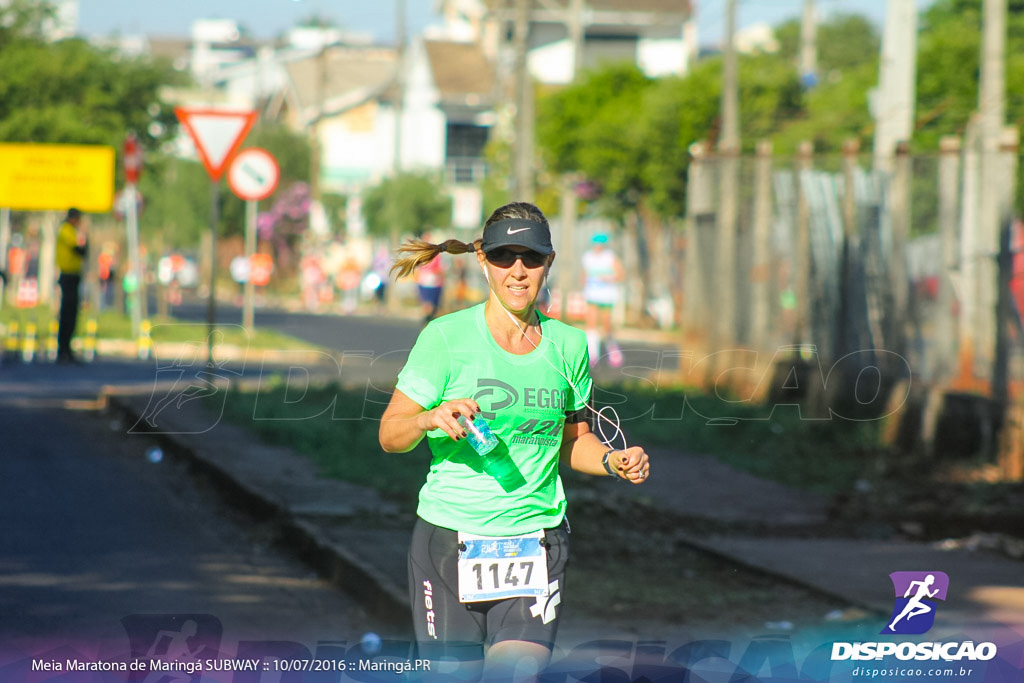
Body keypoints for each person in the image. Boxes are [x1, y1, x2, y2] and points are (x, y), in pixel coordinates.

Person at [378, 202, 650, 682]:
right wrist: (428, 419)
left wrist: (612, 461)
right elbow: (390, 435)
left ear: (549, 263)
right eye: (505, 257)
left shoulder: (568, 346)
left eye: (532, 258)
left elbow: (573, 441)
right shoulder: (445, 338)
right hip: (450, 538)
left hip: (536, 541)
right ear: (483, 260)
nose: (518, 272)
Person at [580, 232, 625, 368]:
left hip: (607, 295)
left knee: (606, 324)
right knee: (591, 323)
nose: (597, 247)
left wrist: (608, 278)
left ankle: (613, 349)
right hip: (592, 294)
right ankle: (593, 354)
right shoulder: (587, 257)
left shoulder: (610, 257)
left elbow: (620, 274)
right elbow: (584, 275)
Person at [55, 207, 88, 363]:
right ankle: (63, 349)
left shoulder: (69, 231)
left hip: (72, 275)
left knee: (72, 313)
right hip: (68, 276)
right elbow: (78, 251)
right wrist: (85, 244)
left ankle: (66, 348)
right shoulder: (66, 230)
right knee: (68, 314)